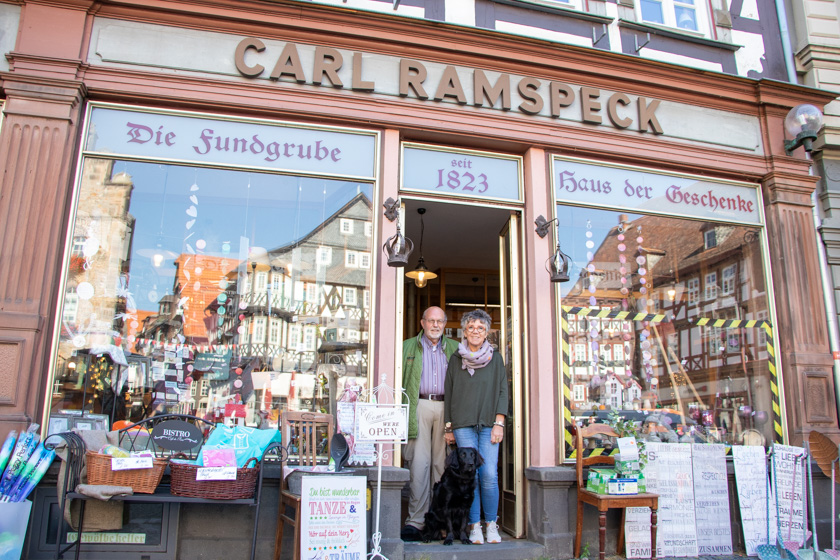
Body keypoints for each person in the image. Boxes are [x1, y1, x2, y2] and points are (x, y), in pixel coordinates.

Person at [444, 309, 508, 545]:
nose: (475, 331)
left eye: (480, 327)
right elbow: (449, 393)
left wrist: (499, 422)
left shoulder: (496, 358)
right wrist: (448, 427)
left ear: (487, 332)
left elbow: (503, 391)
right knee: (468, 476)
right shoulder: (456, 359)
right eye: (471, 327)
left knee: (489, 474)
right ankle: (474, 527)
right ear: (464, 331)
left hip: (490, 424)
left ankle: (491, 524)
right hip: (462, 426)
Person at [400, 306, 459, 542]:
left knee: (442, 466)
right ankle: (416, 522)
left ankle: (442, 523)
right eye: (431, 321)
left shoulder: (455, 348)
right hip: (419, 405)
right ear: (422, 323)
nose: (435, 325)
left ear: (445, 324)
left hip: (447, 408)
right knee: (419, 464)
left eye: (440, 321)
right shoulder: (406, 347)